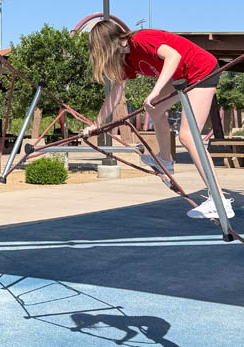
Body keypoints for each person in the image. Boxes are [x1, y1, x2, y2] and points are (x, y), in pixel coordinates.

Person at [81, 20, 234, 220]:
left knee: (188, 136)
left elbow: (173, 56)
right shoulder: (125, 59)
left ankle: (219, 200)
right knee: (153, 109)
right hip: (183, 76)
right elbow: (116, 92)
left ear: (113, 42)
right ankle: (166, 160)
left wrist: (154, 92)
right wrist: (96, 124)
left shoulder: (141, 39)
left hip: (201, 69)